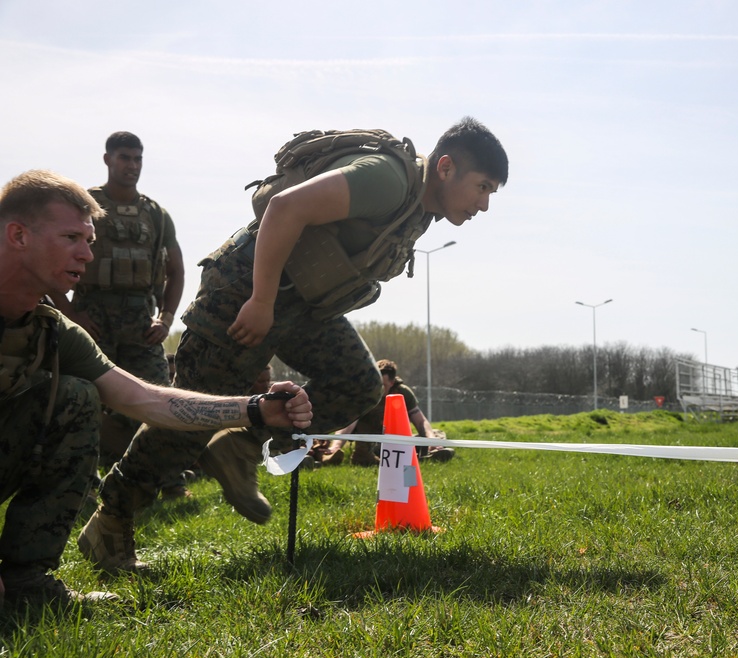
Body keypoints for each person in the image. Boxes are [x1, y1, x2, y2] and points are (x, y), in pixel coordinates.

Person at [80, 117, 507, 573]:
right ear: (445, 168)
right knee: (190, 420)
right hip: (245, 293)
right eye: (482, 187)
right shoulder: (389, 179)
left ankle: (241, 445)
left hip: (302, 306)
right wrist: (261, 300)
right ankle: (111, 522)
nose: (483, 205)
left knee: (359, 383)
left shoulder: (421, 207)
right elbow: (284, 208)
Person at [0, 170, 312, 607]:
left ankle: (26, 585)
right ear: (18, 235)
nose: (87, 255)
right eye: (73, 237)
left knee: (77, 397)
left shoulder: (50, 329)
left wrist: (257, 409)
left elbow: (146, 399)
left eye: (89, 241)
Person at [48, 132, 185, 473]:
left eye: (138, 159)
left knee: (161, 398)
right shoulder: (82, 206)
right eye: (125, 157)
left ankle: (162, 479)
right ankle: (82, 477)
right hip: (91, 316)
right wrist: (69, 313)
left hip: (141, 321)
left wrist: (166, 319)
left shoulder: (155, 214)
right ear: (108, 159)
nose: (132, 165)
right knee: (81, 395)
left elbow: (176, 271)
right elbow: (48, 262)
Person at [315, 359, 453, 466]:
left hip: (391, 438)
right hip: (365, 438)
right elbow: (350, 422)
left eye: (383, 385)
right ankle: (333, 457)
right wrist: (336, 446)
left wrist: (430, 440)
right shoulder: (364, 392)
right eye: (375, 383)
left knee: (437, 434)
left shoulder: (403, 393)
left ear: (392, 383)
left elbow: (420, 421)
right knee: (323, 441)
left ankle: (432, 452)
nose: (378, 389)